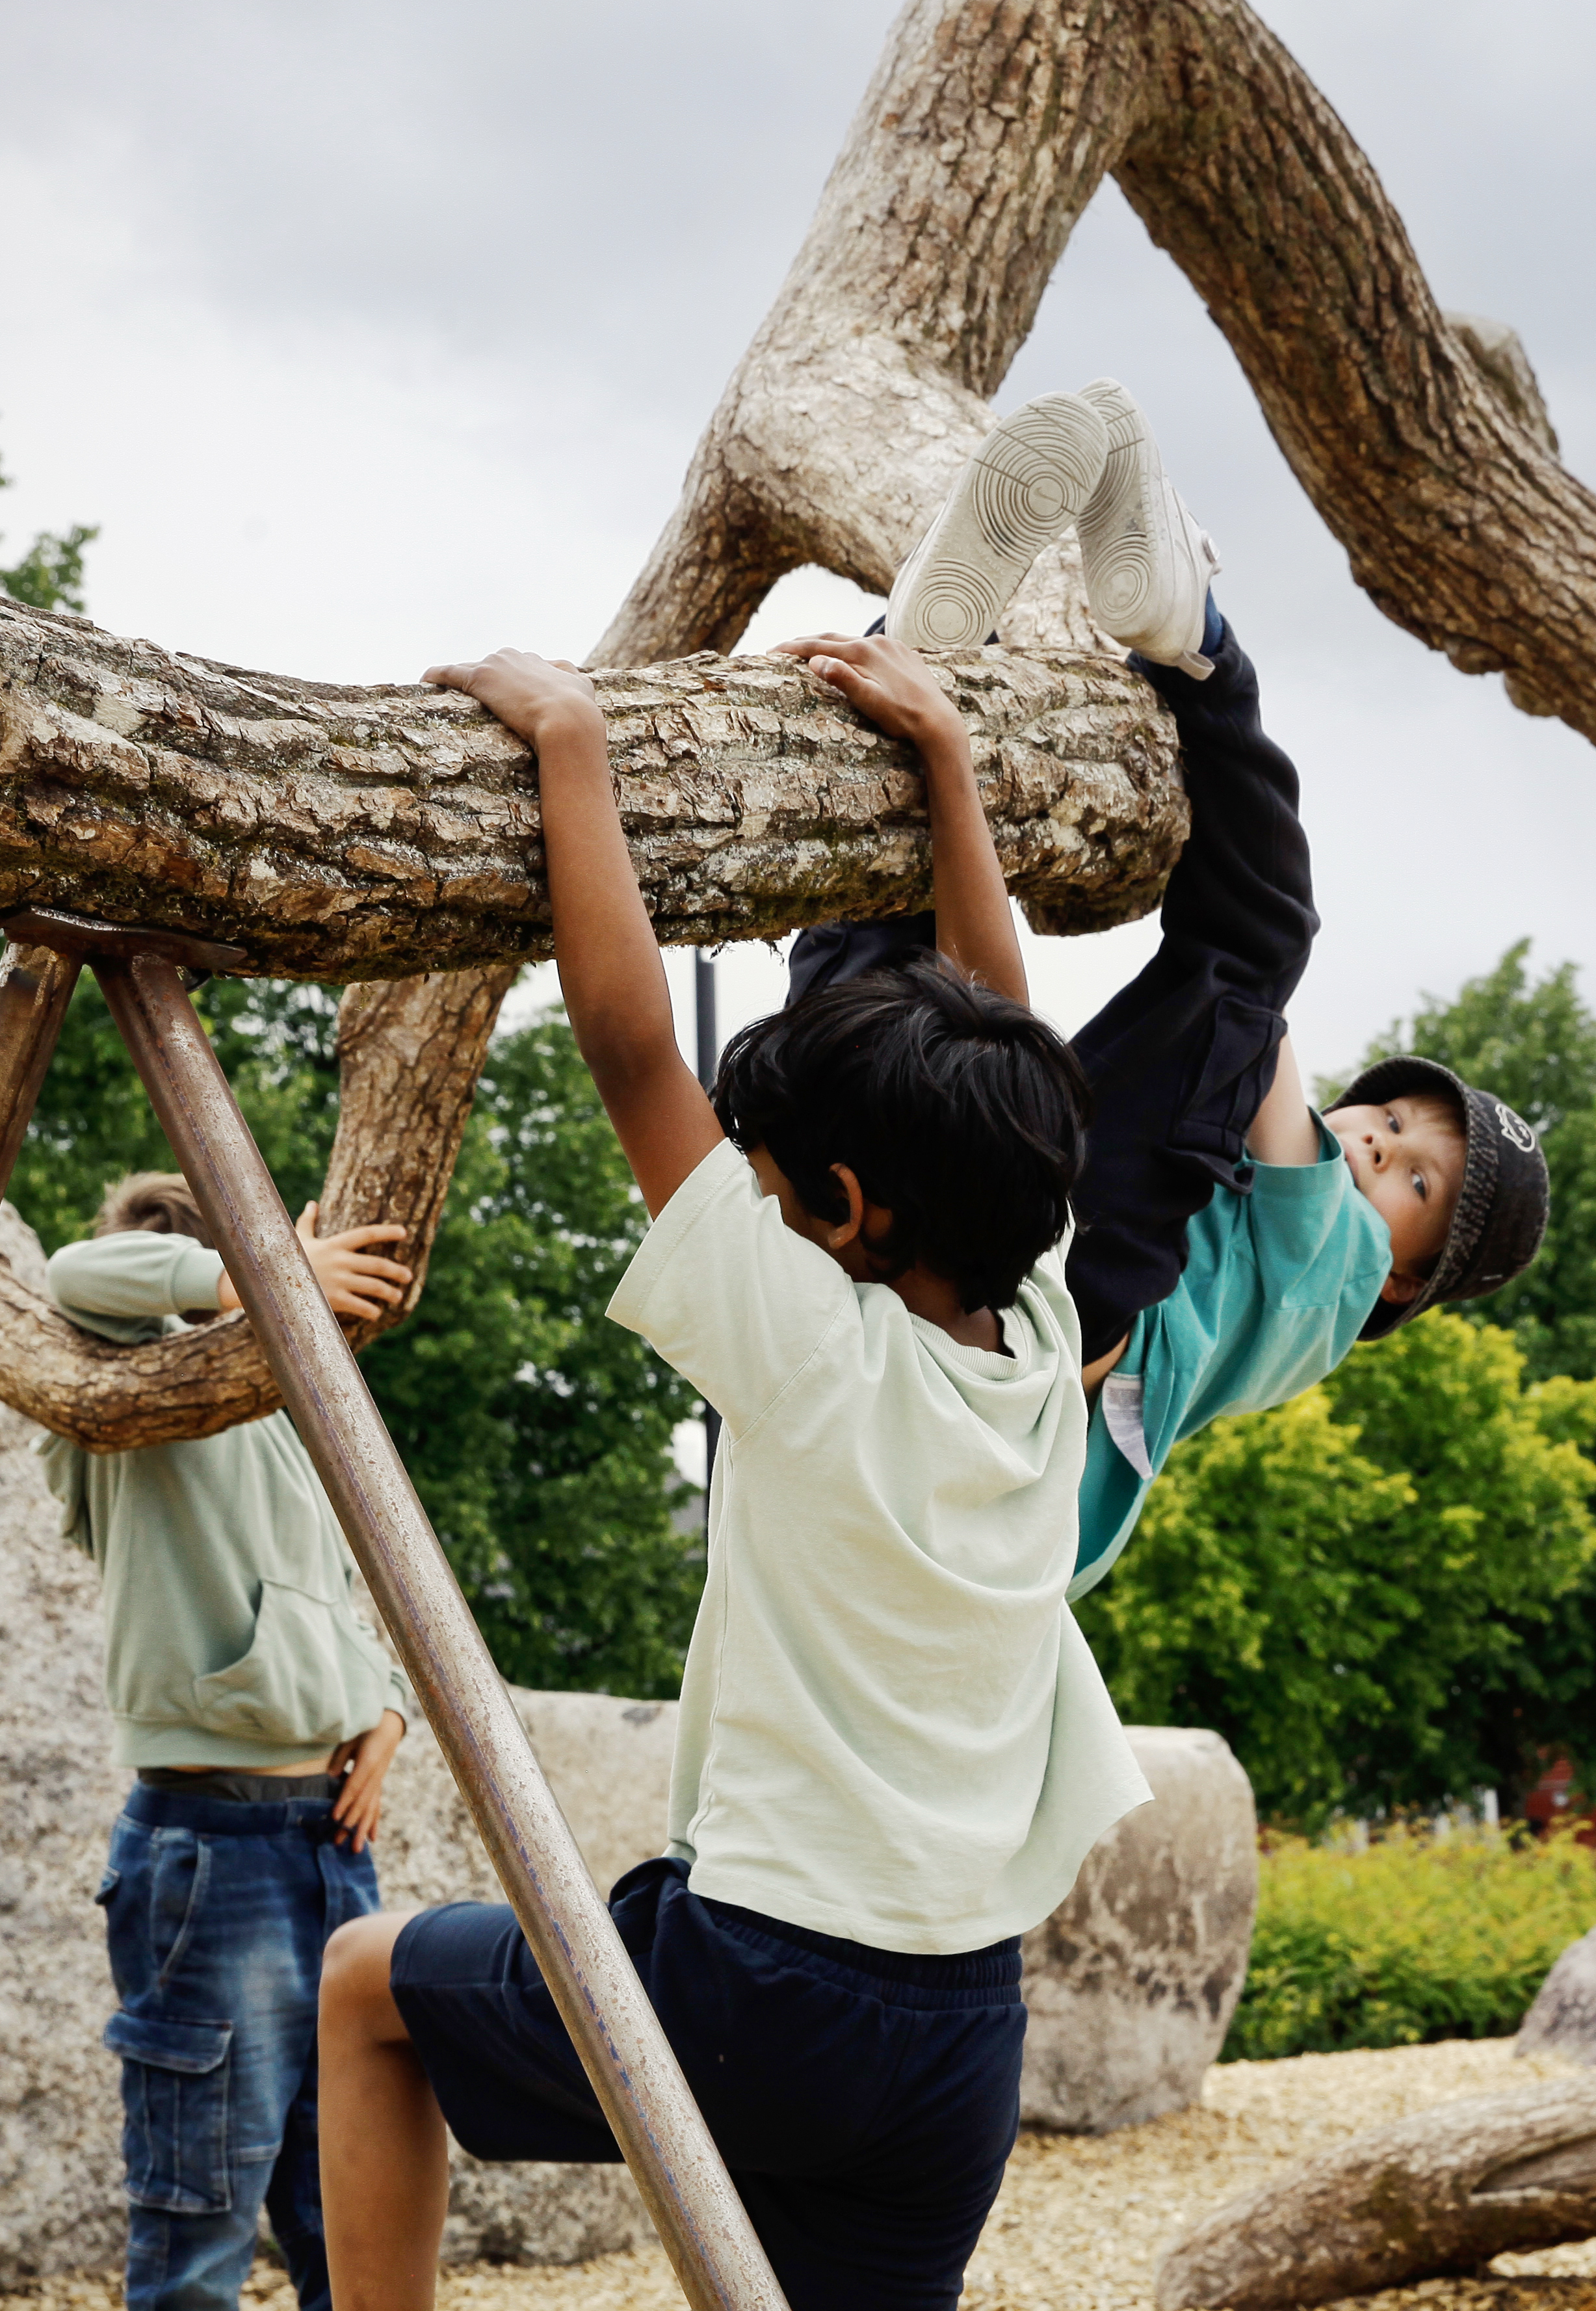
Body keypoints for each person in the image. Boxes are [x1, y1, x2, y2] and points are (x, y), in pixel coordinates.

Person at [320, 561, 1138, 2310]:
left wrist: (575, 751)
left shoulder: (813, 1350)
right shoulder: (1041, 1320)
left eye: (764, 1183)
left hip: (764, 1981)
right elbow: (999, 1022)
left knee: (366, 1994)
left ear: (843, 1209)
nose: (739, 1196)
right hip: (960, 2031)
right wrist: (950, 775)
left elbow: (630, 1048)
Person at [787, 379, 1551, 1595]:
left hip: (1073, 1309)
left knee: (1256, 941)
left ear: (1404, 1282)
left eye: (1416, 1180)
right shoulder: (1266, 1236)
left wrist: (1239, 985)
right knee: (879, 1038)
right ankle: (910, 665)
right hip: (940, 1292)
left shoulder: (1329, 1277)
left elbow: (1253, 1019)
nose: (1378, 1155)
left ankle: (1203, 651)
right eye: (1395, 1123)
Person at [49, 1172, 417, 2311]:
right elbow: (70, 1275)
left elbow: (345, 1590)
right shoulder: (118, 1385)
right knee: (198, 2218)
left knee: (342, 2211)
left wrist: (385, 1707)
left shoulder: (289, 1415)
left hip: (328, 1844)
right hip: (209, 1847)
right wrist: (255, 1275)